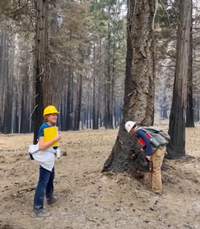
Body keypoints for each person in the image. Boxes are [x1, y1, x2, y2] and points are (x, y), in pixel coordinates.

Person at [29, 105, 61, 217]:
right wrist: (55, 139)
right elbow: (42, 146)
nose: (55, 116)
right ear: (46, 116)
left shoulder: (50, 127)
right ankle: (37, 209)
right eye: (52, 114)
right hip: (45, 159)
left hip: (50, 158)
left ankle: (50, 197)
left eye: (56, 114)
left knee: (51, 177)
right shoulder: (44, 128)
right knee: (42, 182)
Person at [125, 121, 166, 194]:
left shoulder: (139, 132)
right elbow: (149, 140)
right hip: (156, 149)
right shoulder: (141, 130)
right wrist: (144, 148)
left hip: (158, 150)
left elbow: (147, 141)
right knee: (152, 169)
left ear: (131, 129)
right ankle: (153, 186)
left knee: (156, 169)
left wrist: (148, 154)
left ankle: (157, 190)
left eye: (130, 131)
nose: (131, 133)